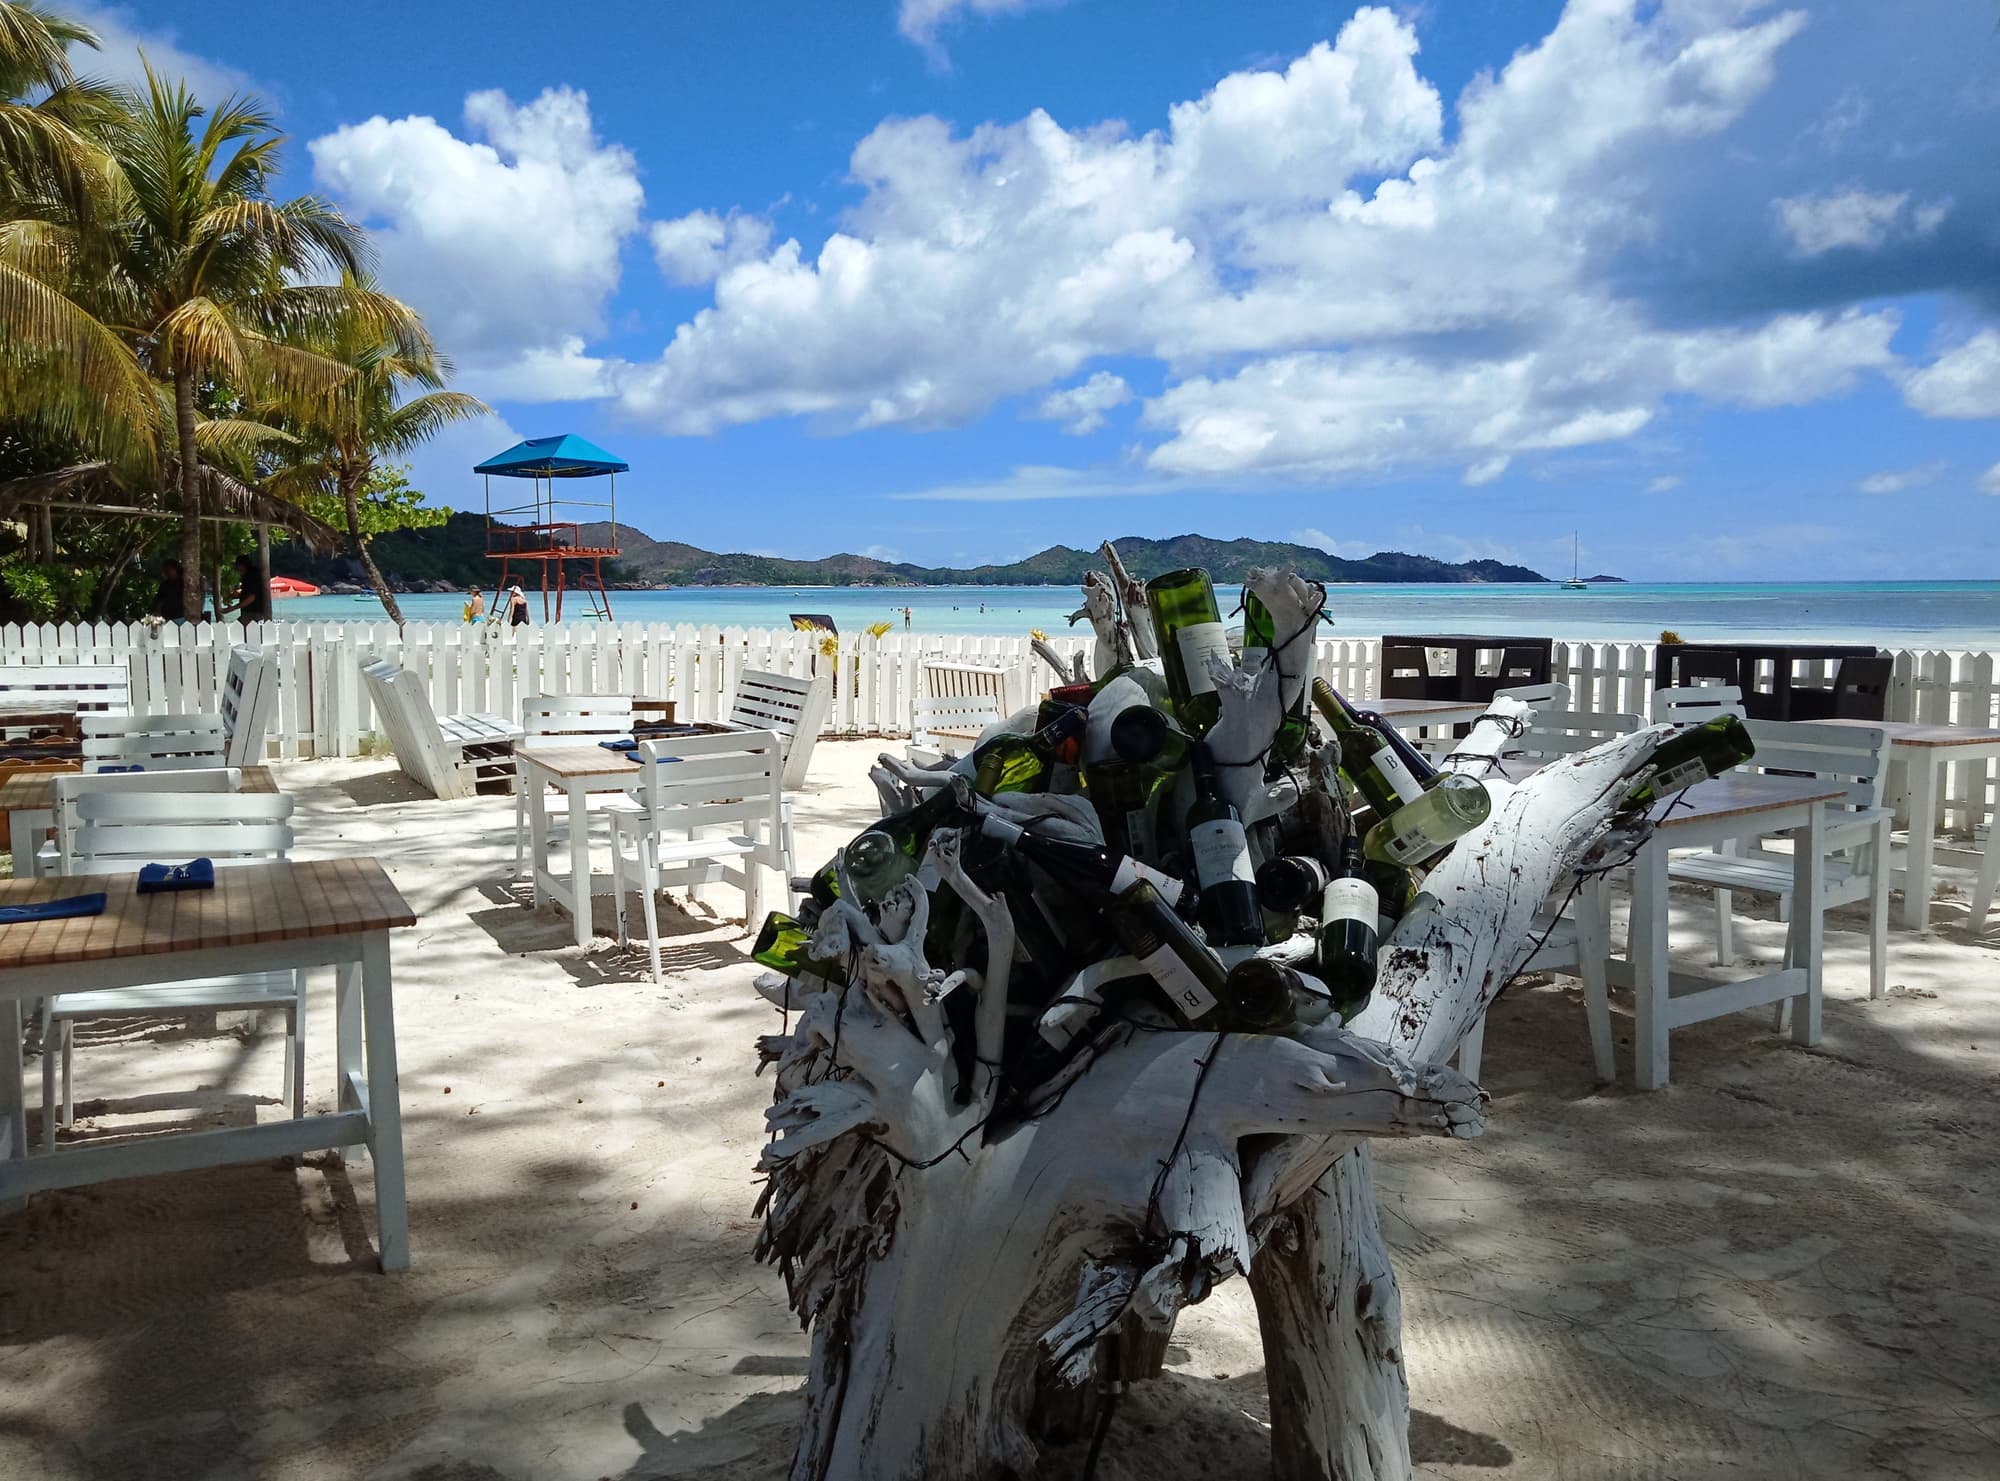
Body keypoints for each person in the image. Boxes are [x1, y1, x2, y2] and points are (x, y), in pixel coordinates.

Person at [225, 554, 269, 623]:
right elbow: (247, 593)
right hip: (250, 611)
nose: (236, 569)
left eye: (237, 566)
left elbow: (252, 597)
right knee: (238, 628)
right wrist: (233, 596)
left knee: (239, 629)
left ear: (241, 565)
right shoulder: (249, 575)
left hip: (253, 612)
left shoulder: (252, 576)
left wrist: (234, 608)